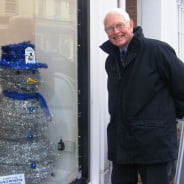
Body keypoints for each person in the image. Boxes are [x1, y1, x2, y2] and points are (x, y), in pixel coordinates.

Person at [100, 8, 184, 184]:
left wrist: (168, 118)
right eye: (110, 28)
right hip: (122, 143)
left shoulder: (156, 50)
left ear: (131, 25)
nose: (115, 32)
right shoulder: (111, 60)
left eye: (119, 25)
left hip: (154, 144)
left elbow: (181, 86)